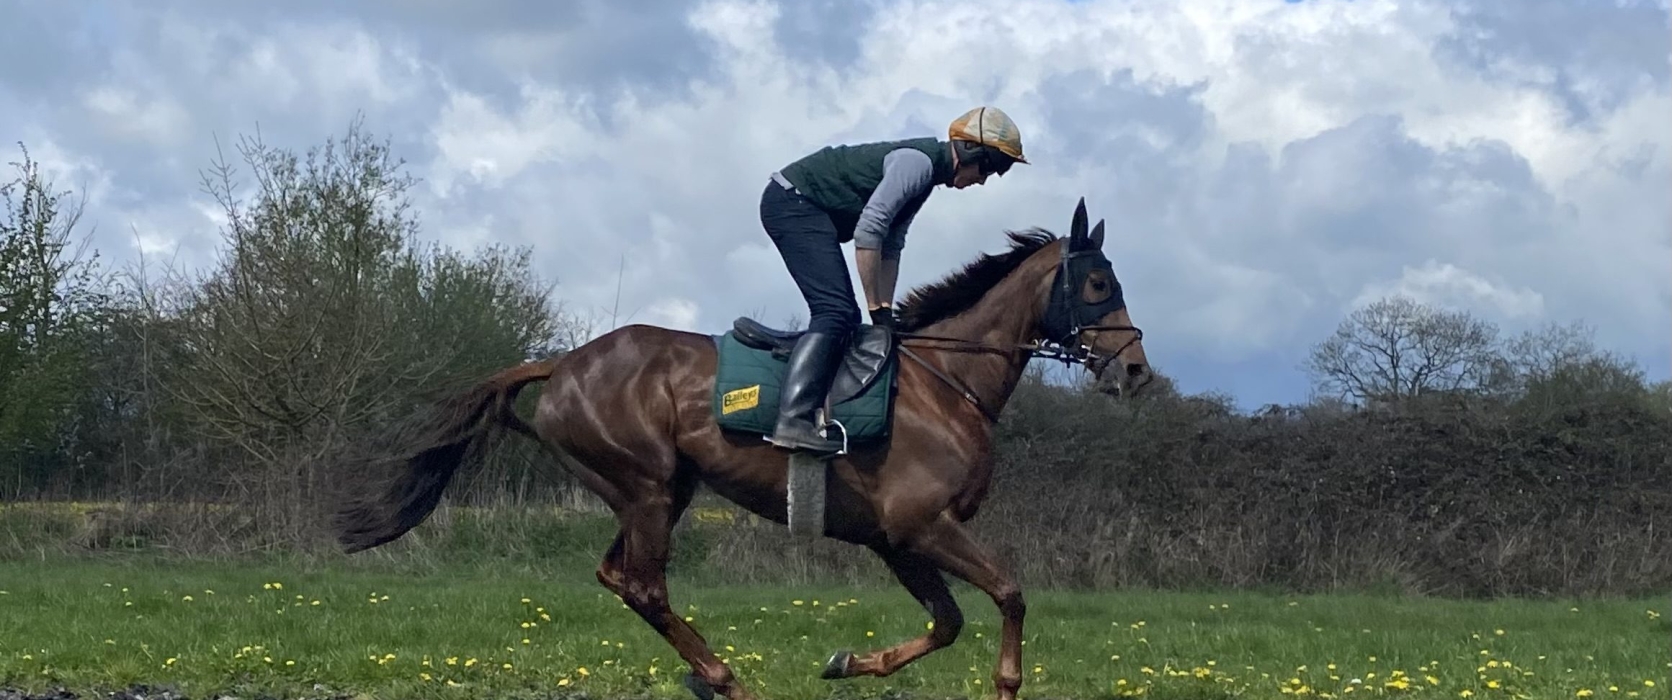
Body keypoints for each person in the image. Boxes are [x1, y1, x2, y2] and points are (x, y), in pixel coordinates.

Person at [758, 105, 1029, 456]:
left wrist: (885, 309)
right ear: (969, 150)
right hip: (792, 203)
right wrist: (875, 309)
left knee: (844, 314)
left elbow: (890, 245)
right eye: (990, 168)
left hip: (805, 208)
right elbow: (869, 231)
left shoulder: (926, 178)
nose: (984, 180)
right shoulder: (916, 165)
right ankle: (792, 420)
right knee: (836, 312)